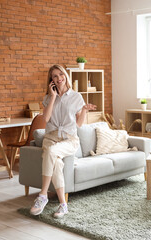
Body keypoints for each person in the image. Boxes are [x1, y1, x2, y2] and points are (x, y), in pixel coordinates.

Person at [30, 64, 96, 218]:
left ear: (66, 75)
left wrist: (84, 110)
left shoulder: (76, 97)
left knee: (52, 152)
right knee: (57, 164)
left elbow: (78, 125)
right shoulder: (48, 98)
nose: (59, 78)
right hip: (51, 137)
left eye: (61, 74)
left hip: (69, 139)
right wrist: (53, 97)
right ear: (51, 80)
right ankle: (63, 205)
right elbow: (45, 119)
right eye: (55, 76)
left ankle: (43, 195)